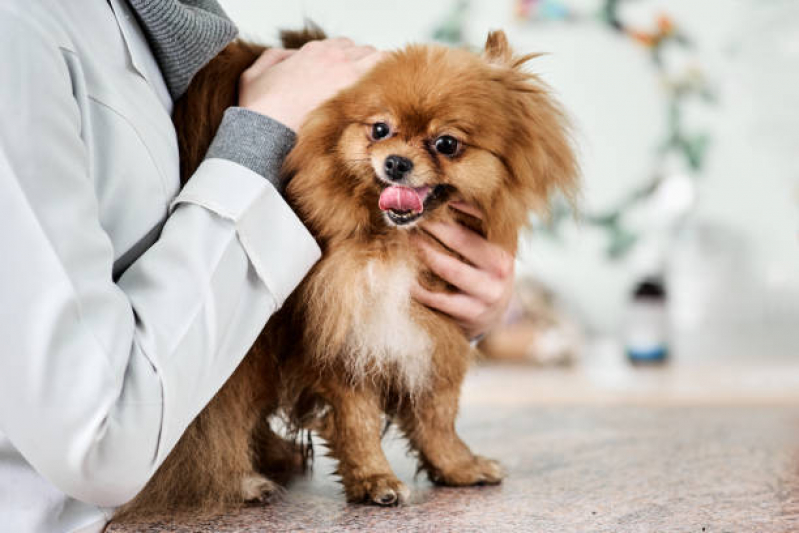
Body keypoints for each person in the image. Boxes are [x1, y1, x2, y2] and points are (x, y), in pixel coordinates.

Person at [0, 1, 515, 531]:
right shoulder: (20, 35)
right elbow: (94, 438)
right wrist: (258, 141)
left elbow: (307, 303)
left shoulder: (178, 32)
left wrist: (442, 302)